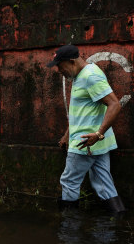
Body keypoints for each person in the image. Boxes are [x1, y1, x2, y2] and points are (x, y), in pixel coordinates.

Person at [47, 44, 126, 214]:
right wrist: (67, 134)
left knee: (69, 181)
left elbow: (114, 105)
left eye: (60, 66)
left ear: (71, 62)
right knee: (103, 182)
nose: (59, 70)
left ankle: (68, 228)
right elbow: (82, 111)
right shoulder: (80, 75)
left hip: (86, 143)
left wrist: (98, 134)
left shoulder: (90, 76)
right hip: (95, 142)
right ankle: (117, 220)